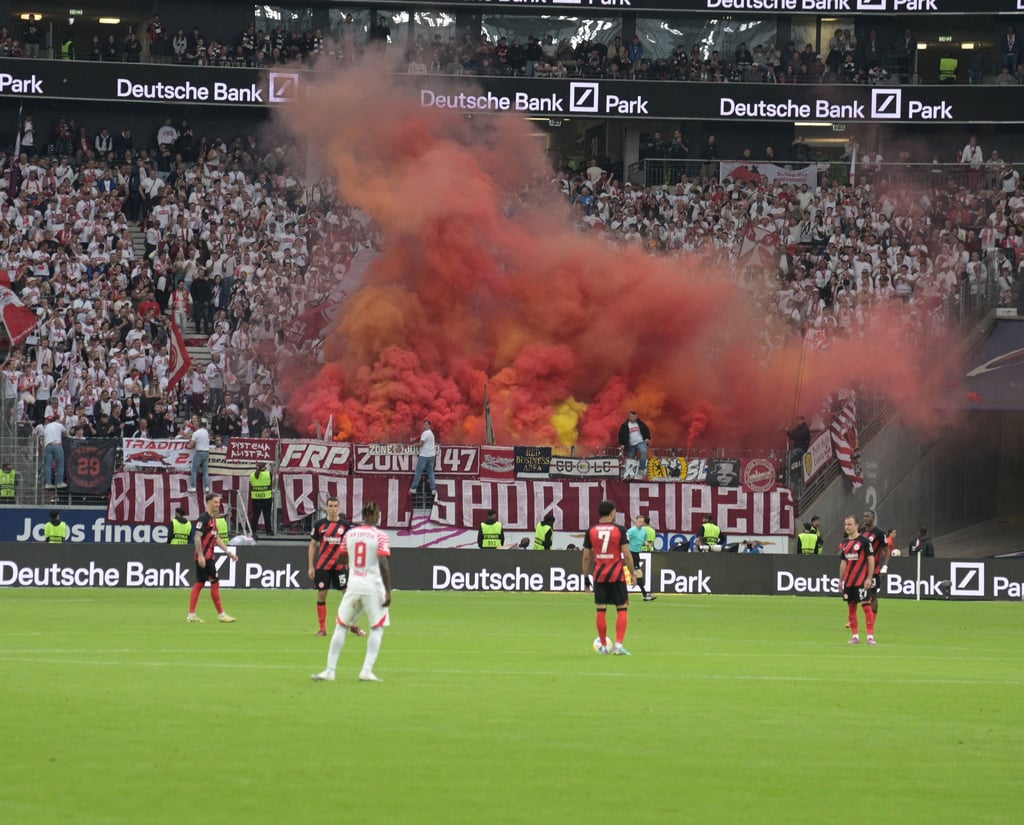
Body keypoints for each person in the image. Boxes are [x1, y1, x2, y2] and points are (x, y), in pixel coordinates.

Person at [312, 500, 392, 683]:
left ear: (363, 516)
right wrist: (388, 591)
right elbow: (383, 564)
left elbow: (341, 558)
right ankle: (366, 671)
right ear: (376, 516)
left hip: (354, 583)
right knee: (376, 628)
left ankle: (330, 671)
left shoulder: (350, 534)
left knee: (341, 625)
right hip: (373, 586)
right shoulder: (380, 536)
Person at [307, 496, 366, 638]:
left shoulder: (345, 526)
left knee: (348, 595)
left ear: (338, 508)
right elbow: (313, 545)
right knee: (322, 594)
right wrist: (311, 566)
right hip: (323, 565)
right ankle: (322, 629)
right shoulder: (319, 524)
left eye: (335, 506)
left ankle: (352, 625)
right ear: (326, 507)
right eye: (330, 506)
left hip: (340, 565)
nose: (333, 509)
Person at [583, 501, 636, 655]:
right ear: (612, 513)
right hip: (617, 575)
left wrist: (586, 577)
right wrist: (632, 573)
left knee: (601, 610)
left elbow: (586, 556)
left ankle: (605, 647)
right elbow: (626, 554)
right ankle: (618, 646)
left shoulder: (591, 531)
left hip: (599, 576)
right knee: (622, 609)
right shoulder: (619, 530)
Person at [187, 493, 237, 623]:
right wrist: (201, 555)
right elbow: (197, 537)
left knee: (199, 583)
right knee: (215, 581)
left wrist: (228, 551)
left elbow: (216, 538)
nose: (218, 505)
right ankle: (221, 614)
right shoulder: (203, 519)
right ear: (208, 503)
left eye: (219, 503)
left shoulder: (213, 519)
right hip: (205, 557)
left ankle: (191, 615)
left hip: (206, 556)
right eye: (215, 502)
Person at [838, 514, 876, 645]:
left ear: (856, 526)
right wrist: (840, 580)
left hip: (861, 580)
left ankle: (870, 637)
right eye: (845, 524)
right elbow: (843, 563)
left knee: (866, 606)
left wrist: (869, 578)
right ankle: (855, 636)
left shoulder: (864, 542)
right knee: (851, 608)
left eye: (850, 524)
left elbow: (871, 560)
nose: (847, 527)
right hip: (849, 582)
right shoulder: (845, 543)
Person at [861, 509, 888, 616]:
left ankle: (872, 622)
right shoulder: (861, 531)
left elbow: (887, 550)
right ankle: (853, 617)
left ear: (873, 518)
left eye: (867, 516)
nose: (865, 518)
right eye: (864, 516)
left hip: (874, 570)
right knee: (858, 594)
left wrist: (885, 567)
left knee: (873, 595)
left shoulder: (880, 533)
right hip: (861, 569)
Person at [626, 515, 657, 601]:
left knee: (638, 575)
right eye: (639, 522)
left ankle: (644, 594)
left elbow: (644, 540)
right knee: (639, 574)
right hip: (631, 553)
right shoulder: (631, 531)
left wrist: (648, 544)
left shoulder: (644, 531)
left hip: (637, 554)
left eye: (642, 522)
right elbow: (625, 541)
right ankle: (645, 594)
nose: (641, 523)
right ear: (635, 522)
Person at [617, 410, 651, 479]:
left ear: (636, 417)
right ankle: (631, 473)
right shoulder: (625, 425)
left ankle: (641, 469)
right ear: (629, 417)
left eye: (634, 417)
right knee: (631, 459)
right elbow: (621, 435)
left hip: (640, 442)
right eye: (631, 417)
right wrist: (622, 444)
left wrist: (647, 438)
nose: (633, 418)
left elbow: (646, 430)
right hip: (630, 445)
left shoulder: (640, 423)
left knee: (644, 452)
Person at [409, 418, 437, 497]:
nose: (425, 425)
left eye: (427, 424)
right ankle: (433, 489)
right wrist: (415, 439)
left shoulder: (425, 433)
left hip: (424, 455)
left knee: (418, 472)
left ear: (429, 425)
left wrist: (415, 445)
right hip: (432, 456)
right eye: (424, 424)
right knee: (430, 472)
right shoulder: (431, 434)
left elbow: (421, 444)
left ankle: (413, 488)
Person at [41, 413, 67, 490]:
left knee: (48, 465)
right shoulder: (59, 425)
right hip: (57, 444)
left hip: (48, 446)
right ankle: (59, 482)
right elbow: (66, 434)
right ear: (57, 420)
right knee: (60, 464)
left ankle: (48, 483)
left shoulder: (46, 427)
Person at [249, 460, 274, 536]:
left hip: (256, 498)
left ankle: (252, 531)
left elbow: (251, 484)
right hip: (267, 497)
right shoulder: (269, 474)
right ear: (265, 467)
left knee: (255, 516)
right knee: (267, 515)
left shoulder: (252, 475)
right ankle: (268, 532)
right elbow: (271, 484)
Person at [188, 416, 211, 493]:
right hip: (206, 452)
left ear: (198, 425)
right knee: (205, 471)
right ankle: (207, 487)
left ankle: (193, 486)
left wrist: (188, 444)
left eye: (195, 424)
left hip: (199, 452)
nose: (194, 425)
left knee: (194, 470)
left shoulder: (195, 433)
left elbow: (191, 445)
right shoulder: (206, 432)